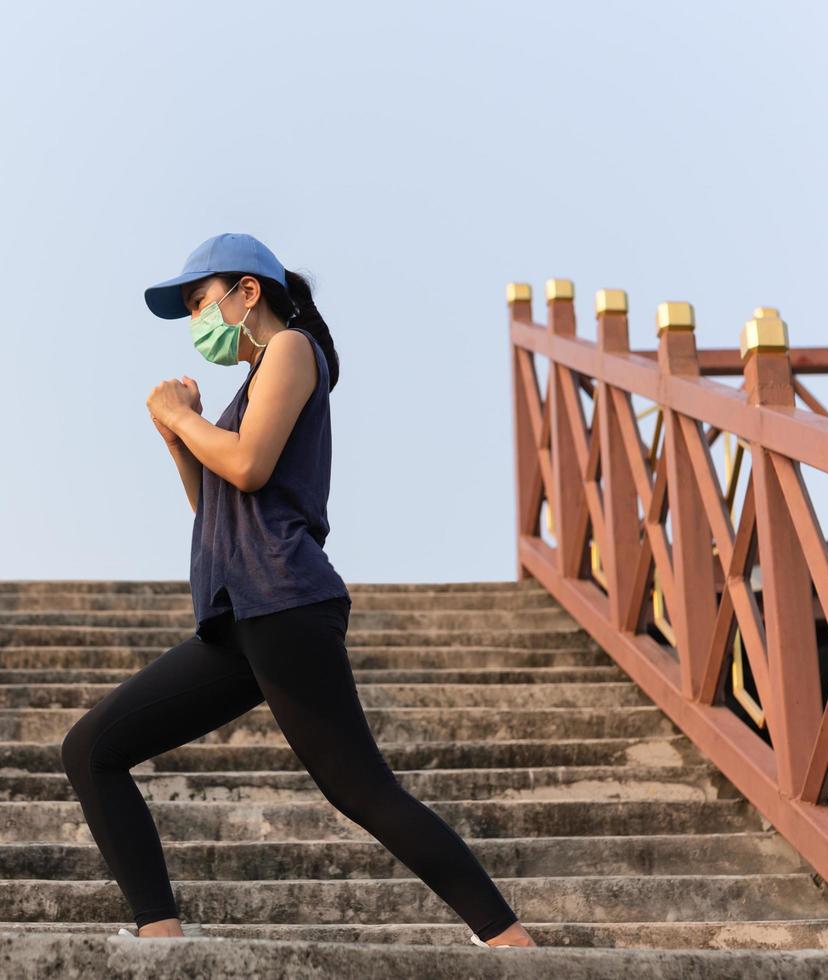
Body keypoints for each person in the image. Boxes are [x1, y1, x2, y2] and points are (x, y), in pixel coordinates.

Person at [60, 233, 535, 949]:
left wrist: (184, 418)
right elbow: (216, 510)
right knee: (92, 748)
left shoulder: (289, 349)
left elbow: (249, 468)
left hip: (282, 599)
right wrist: (174, 436)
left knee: (360, 787)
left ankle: (507, 940)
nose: (197, 321)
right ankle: (158, 935)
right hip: (242, 611)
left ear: (247, 291)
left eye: (200, 301)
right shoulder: (245, 390)